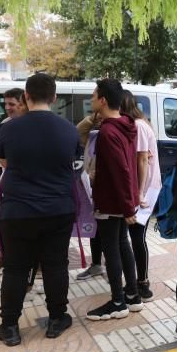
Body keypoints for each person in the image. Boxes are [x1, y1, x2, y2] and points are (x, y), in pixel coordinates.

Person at [0, 74, 80, 346]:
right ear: (54, 97)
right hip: (58, 208)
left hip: (17, 209)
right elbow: (73, 162)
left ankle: (9, 326)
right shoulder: (69, 129)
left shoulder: (9, 129)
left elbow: (4, 161)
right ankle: (57, 319)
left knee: (16, 268)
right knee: (56, 265)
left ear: (26, 97)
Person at [85, 79, 144, 319]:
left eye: (93, 95)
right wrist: (129, 202)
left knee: (112, 248)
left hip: (112, 201)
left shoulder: (108, 132)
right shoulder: (126, 125)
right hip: (122, 199)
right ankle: (132, 296)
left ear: (103, 100)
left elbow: (121, 170)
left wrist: (127, 207)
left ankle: (118, 301)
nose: (91, 100)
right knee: (122, 244)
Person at [122, 90, 159, 301]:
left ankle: (143, 283)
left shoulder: (138, 126)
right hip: (142, 188)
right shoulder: (138, 123)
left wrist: (139, 193)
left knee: (137, 236)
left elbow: (143, 161)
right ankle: (136, 281)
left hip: (145, 188)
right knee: (134, 236)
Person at [74, 109, 105, 281]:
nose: (99, 119)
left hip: (109, 193)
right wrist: (93, 118)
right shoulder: (93, 136)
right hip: (94, 190)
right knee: (95, 229)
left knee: (113, 235)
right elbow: (79, 132)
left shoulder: (116, 134)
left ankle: (116, 271)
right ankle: (96, 265)